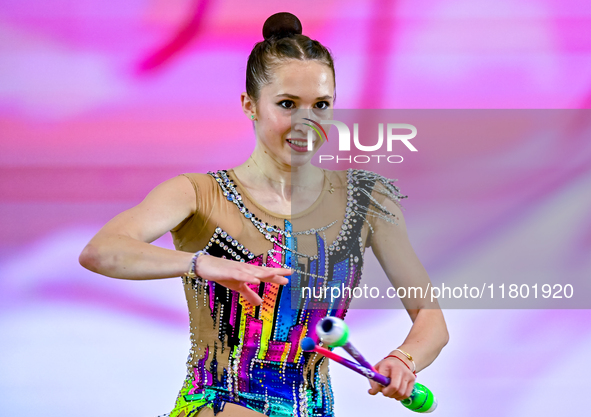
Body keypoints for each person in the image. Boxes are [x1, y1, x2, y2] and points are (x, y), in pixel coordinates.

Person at [79, 12, 448, 417]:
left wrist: (404, 358)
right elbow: (101, 252)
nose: (306, 122)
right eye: (287, 104)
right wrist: (203, 264)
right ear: (249, 105)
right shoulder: (198, 193)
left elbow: (431, 320)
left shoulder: (368, 200)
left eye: (321, 105)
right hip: (219, 404)